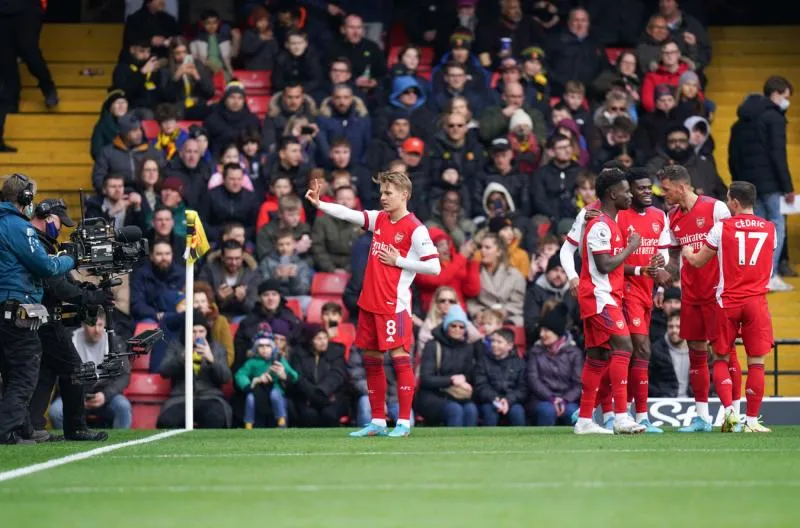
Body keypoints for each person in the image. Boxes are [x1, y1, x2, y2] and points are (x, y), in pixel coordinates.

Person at [305, 169, 441, 438]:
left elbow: (435, 268)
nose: (383, 197)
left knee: (400, 360)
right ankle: (378, 421)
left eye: (388, 193)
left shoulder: (415, 228)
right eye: (381, 192)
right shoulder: (380, 219)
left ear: (405, 195)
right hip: (369, 303)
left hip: (394, 305)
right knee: (371, 361)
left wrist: (399, 261)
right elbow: (349, 214)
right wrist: (320, 204)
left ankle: (403, 422)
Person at [681, 182, 775, 433]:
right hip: (757, 301)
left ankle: (730, 414)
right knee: (756, 362)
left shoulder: (721, 228)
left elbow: (699, 262)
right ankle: (752, 421)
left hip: (727, 302)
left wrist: (688, 252)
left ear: (733, 202)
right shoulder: (771, 228)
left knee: (720, 357)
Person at [25, 199, 112, 442]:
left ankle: (31, 426)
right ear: (46, 216)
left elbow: (64, 283)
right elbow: (57, 287)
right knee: (74, 369)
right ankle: (76, 428)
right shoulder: (37, 246)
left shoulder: (40, 245)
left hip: (39, 319)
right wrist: (90, 296)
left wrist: (86, 290)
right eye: (59, 222)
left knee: (46, 372)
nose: (61, 228)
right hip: (43, 320)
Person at [0, 174, 75, 444]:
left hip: (3, 309)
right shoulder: (18, 227)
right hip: (16, 307)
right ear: (26, 199)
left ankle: (22, 430)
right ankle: (6, 431)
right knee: (24, 374)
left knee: (10, 372)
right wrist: (71, 258)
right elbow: (46, 266)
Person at [659, 164, 731, 432]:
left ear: (681, 186)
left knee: (724, 353)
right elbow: (674, 255)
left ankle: (731, 413)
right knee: (697, 354)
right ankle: (702, 417)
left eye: (666, 189)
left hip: (717, 293)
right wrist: (661, 279)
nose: (662, 194)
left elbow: (731, 246)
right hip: (691, 295)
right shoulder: (672, 216)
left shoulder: (716, 209)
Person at [573, 168, 644, 435]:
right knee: (623, 344)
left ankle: (584, 420)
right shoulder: (601, 225)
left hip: (605, 296)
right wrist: (631, 248)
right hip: (599, 297)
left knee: (597, 357)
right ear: (613, 194)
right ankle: (621, 416)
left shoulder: (609, 223)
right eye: (626, 191)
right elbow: (603, 266)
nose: (630, 195)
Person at [611, 169, 672, 432]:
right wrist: (639, 271)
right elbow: (608, 262)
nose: (647, 192)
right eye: (641, 188)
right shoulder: (619, 216)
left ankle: (614, 409)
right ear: (629, 190)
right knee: (641, 349)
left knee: (633, 353)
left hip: (648, 291)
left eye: (650, 188)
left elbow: (663, 254)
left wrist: (660, 274)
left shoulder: (660, 216)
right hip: (626, 291)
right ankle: (638, 414)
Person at [728, 76, 795, 291]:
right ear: (776, 93)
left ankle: (755, 277)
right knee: (776, 226)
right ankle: (771, 275)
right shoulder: (773, 118)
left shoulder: (739, 123)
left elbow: (733, 157)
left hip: (747, 185)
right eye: (785, 97)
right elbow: (778, 154)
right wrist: (787, 186)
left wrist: (739, 184)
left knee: (755, 230)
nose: (786, 102)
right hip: (771, 184)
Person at [49, 314, 132, 432]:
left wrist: (105, 395)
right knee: (55, 412)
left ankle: (120, 445)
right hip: (73, 393)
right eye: (92, 325)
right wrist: (75, 395)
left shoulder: (114, 342)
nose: (97, 330)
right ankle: (68, 442)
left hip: (104, 394)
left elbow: (124, 376)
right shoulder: (70, 341)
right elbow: (59, 374)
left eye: (100, 325)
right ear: (83, 324)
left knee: (123, 407)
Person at [156, 311, 233, 429]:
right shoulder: (176, 346)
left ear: (207, 332)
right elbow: (163, 371)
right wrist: (182, 358)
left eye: (201, 331)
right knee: (167, 421)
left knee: (216, 418)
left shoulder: (217, 348)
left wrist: (211, 359)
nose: (198, 335)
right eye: (193, 331)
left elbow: (225, 377)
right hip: (181, 397)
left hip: (211, 397)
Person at [414, 304, 479, 427]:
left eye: (461, 327)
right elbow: (426, 379)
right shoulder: (433, 345)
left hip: (457, 393)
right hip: (432, 395)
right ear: (446, 326)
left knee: (471, 410)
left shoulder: (467, 348)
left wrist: (466, 382)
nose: (457, 329)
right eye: (453, 325)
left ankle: (471, 445)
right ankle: (453, 445)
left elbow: (469, 374)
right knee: (455, 410)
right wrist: (451, 380)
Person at [526, 304, 583, 426]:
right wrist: (551, 398)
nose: (542, 334)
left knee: (572, 412)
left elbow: (578, 383)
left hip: (569, 400)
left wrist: (565, 399)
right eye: (541, 330)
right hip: (542, 399)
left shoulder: (574, 353)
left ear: (557, 332)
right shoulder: (535, 351)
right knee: (547, 411)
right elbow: (533, 379)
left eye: (546, 330)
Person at [236, 332, 298, 429]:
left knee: (275, 395)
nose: (265, 349)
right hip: (258, 390)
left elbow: (294, 375)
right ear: (256, 348)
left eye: (268, 346)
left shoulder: (279, 360)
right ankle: (248, 423)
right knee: (250, 399)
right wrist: (250, 383)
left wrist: (284, 375)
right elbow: (240, 375)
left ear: (273, 348)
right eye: (261, 346)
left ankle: (281, 419)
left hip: (275, 388)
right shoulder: (252, 362)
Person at [473, 328, 527, 426]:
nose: (494, 344)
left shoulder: (519, 363)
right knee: (490, 414)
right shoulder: (483, 362)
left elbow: (523, 388)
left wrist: (508, 400)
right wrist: (494, 398)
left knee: (517, 413)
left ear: (510, 346)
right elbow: (480, 386)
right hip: (489, 400)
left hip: (512, 401)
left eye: (499, 342)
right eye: (493, 341)